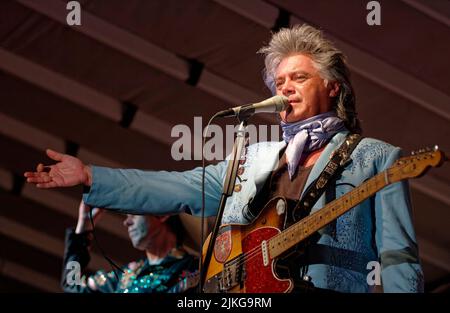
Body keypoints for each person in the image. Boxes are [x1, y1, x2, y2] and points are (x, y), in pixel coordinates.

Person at [25, 24, 423, 293]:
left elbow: (399, 257)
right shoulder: (252, 160)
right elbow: (173, 187)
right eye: (279, 82)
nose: (286, 89)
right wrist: (91, 175)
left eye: (299, 79)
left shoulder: (376, 158)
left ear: (334, 87)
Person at [61, 200, 199, 293]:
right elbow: (72, 284)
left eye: (133, 214)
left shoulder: (197, 268)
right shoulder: (126, 275)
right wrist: (84, 227)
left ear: (162, 215)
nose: (126, 222)